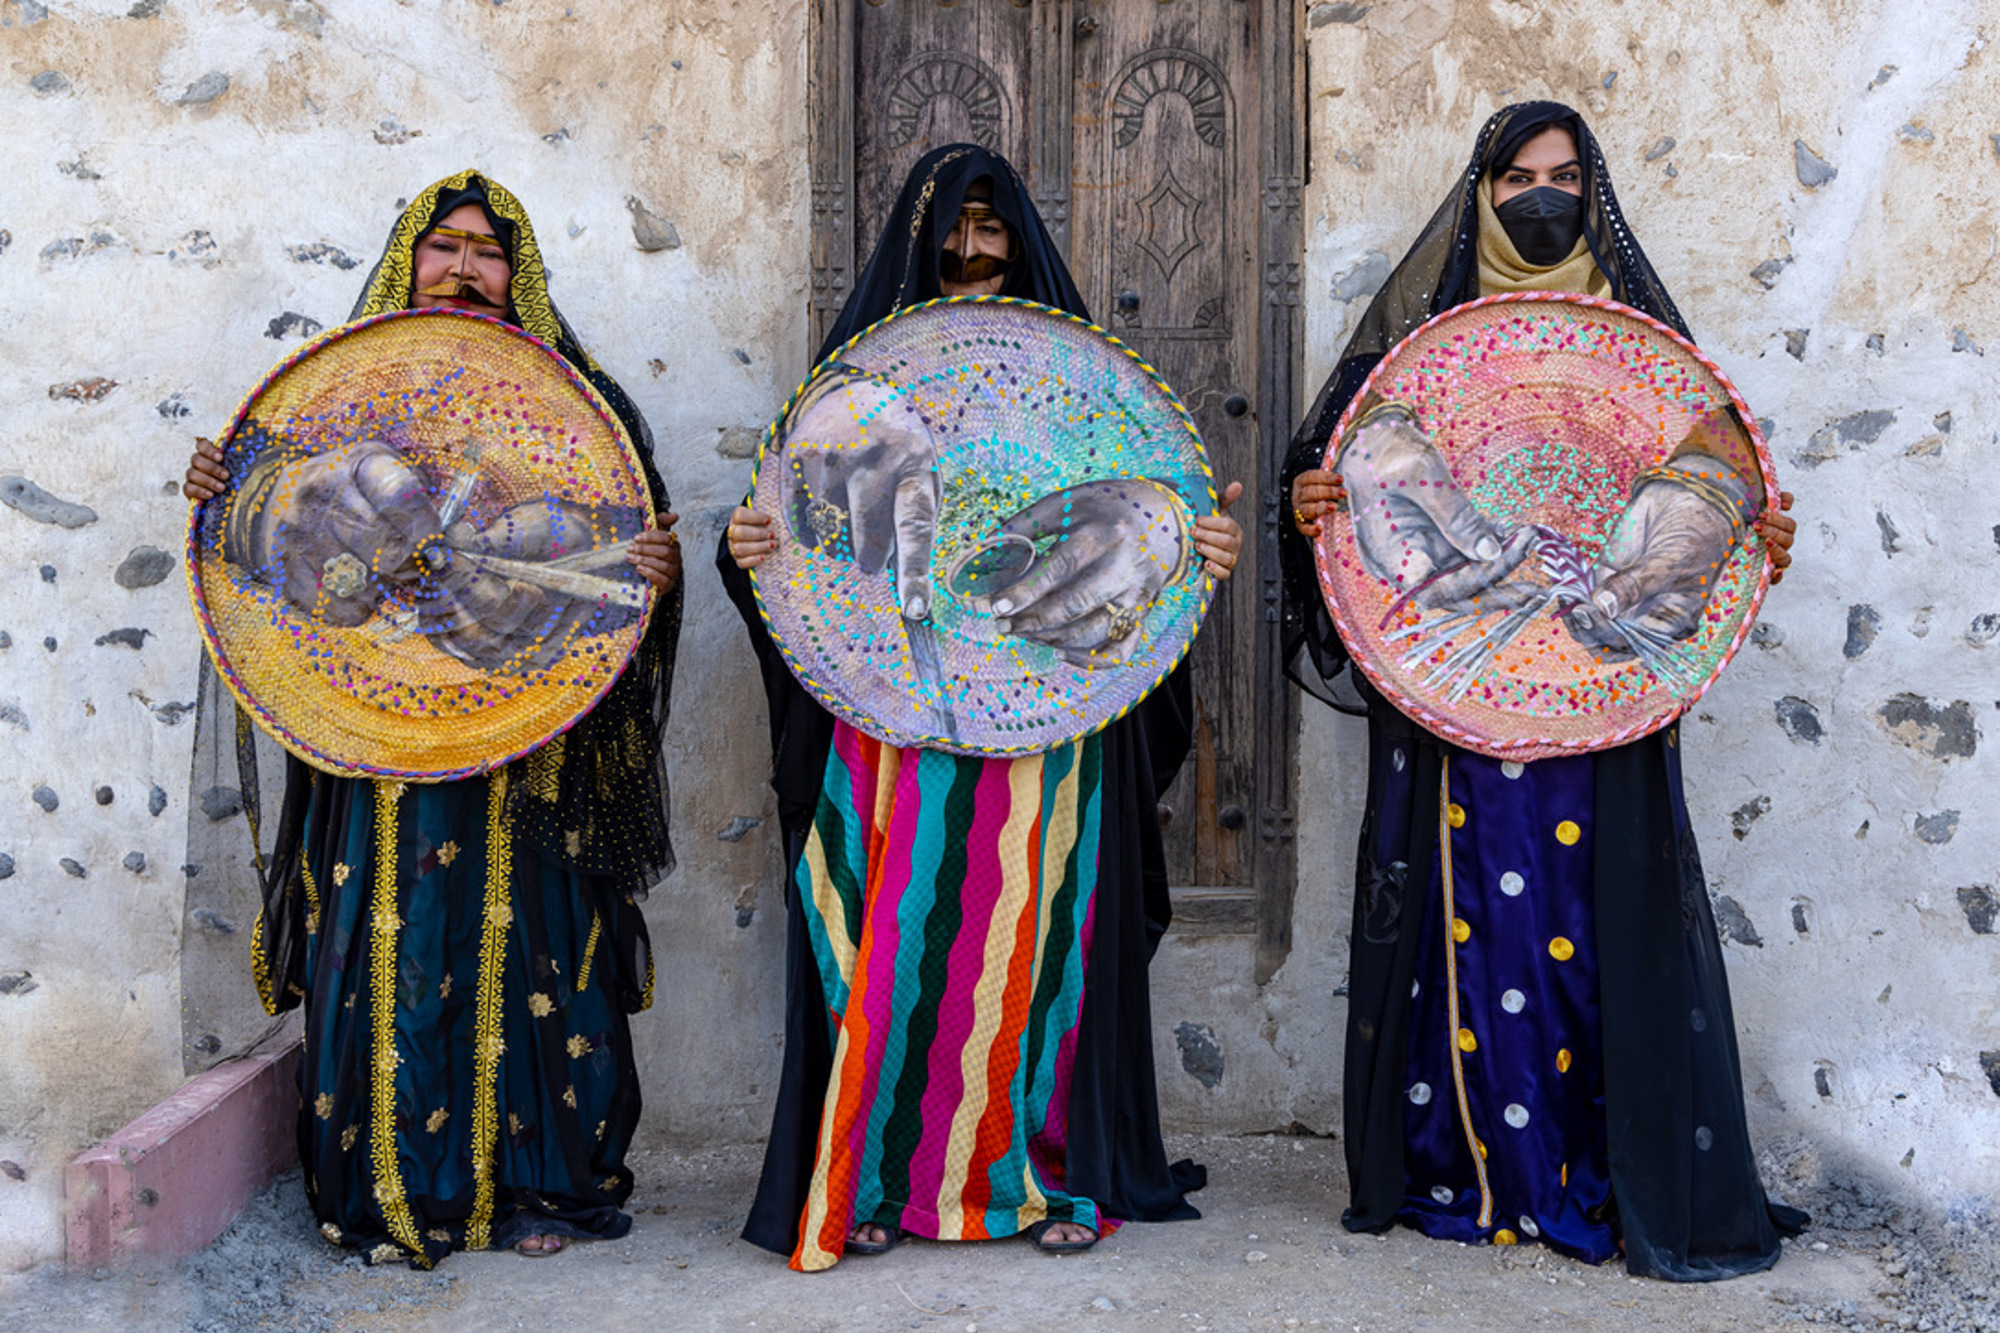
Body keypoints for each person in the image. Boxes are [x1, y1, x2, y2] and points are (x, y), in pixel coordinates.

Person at [1279, 104, 1806, 1281]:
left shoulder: (1637, 348)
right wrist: (1307, 507)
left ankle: (1597, 1162)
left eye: (1562, 177)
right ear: (1477, 195)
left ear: (1594, 190)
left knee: (1587, 911)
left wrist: (1748, 533)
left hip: (1596, 702)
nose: (1538, 197)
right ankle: (1460, 1162)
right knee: (1463, 909)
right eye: (1514, 177)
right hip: (1451, 706)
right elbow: (1337, 498)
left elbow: (1705, 501)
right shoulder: (1412, 354)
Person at [721, 144, 1242, 1271]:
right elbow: (798, 560)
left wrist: (1188, 553)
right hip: (887, 735)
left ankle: (1048, 1172)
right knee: (885, 945)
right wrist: (742, 546)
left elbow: (1136, 582)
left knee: (1041, 950)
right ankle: (869, 1178)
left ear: (1023, 246)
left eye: (990, 231)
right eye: (950, 233)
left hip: (1049, 731)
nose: (968, 252)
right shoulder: (849, 398)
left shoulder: (1085, 400)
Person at [182, 170, 683, 1266]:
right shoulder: (334, 403)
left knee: (540, 955)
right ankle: (394, 1191)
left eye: (488, 251)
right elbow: (271, 554)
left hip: (536, 750)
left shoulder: (583, 412)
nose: (464, 267)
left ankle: (544, 1185)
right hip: (385, 746)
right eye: (444, 245)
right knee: (395, 953)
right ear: (410, 257)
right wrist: (232, 490)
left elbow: (617, 567)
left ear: (521, 274)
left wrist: (656, 565)